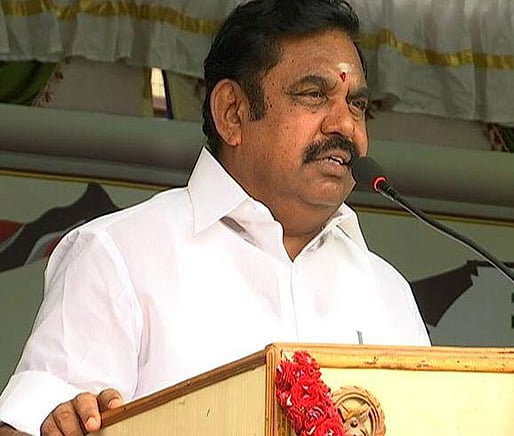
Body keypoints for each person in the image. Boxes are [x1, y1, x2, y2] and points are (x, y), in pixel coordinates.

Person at [0, 0, 430, 434]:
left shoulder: (387, 291)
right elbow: (32, 423)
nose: (346, 126)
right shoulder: (119, 257)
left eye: (356, 104)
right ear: (232, 113)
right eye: (313, 95)